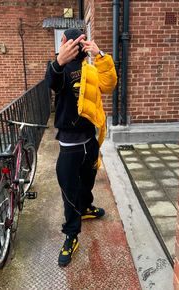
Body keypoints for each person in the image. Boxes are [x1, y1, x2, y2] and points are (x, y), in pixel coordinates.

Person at [46, 28, 117, 267]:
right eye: (73, 42)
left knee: (87, 181)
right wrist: (58, 62)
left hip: (89, 140)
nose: (75, 45)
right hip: (69, 145)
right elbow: (52, 83)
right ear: (65, 42)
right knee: (69, 193)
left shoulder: (91, 68)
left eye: (80, 42)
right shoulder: (60, 69)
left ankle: (85, 208)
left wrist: (101, 54)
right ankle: (71, 236)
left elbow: (109, 85)